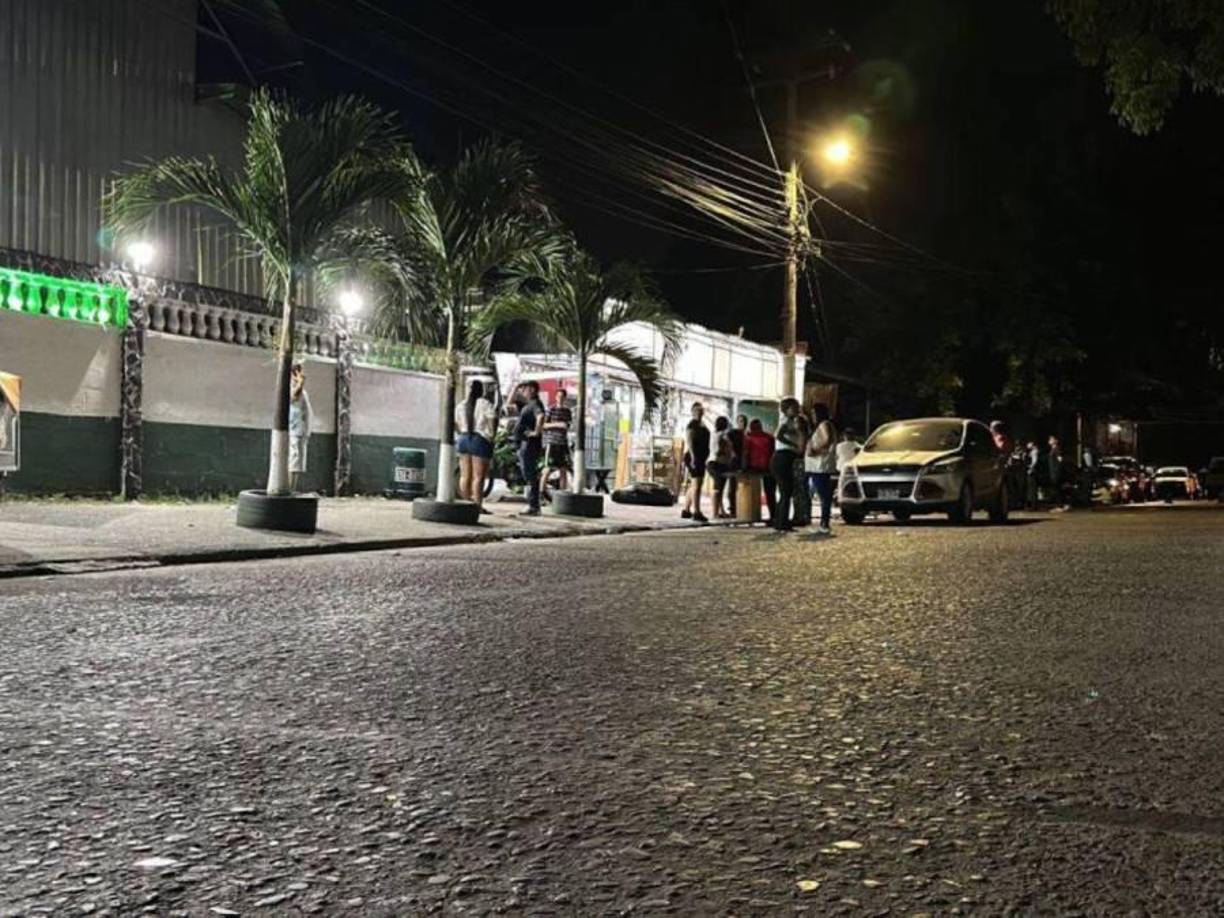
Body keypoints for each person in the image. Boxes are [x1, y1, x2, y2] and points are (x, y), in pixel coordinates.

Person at [455, 379, 496, 513]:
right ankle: (477, 506)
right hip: (480, 440)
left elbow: (455, 423)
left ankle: (465, 504)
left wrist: (461, 432)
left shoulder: (461, 405)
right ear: (482, 390)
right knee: (478, 477)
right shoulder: (485, 404)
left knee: (464, 476)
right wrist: (491, 436)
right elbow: (492, 421)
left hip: (463, 439)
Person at [771, 397, 807, 532]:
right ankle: (782, 522)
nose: (798, 409)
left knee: (786, 491)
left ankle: (781, 521)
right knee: (786, 491)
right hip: (783, 456)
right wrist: (795, 445)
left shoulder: (792, 421)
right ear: (787, 409)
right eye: (795, 407)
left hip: (786, 457)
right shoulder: (785, 420)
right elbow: (778, 435)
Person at [804, 403, 838, 534]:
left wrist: (814, 450)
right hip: (819, 466)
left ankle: (824, 523)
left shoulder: (824, 424)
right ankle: (824, 522)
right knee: (824, 494)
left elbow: (827, 439)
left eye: (813, 413)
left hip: (820, 466)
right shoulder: (825, 424)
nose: (812, 416)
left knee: (824, 495)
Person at [514, 381, 546, 515]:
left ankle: (533, 505)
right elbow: (511, 402)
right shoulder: (528, 404)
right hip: (524, 443)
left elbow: (541, 416)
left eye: (525, 389)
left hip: (530, 443)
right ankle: (532, 504)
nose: (523, 392)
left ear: (532, 390)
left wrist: (536, 432)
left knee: (530, 474)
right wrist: (516, 387)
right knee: (527, 473)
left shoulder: (535, 404)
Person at [680, 402, 711, 523]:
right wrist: (693, 457)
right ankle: (697, 511)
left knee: (695, 483)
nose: (699, 413)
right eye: (697, 411)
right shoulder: (692, 425)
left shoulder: (702, 424)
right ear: (692, 412)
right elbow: (689, 440)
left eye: (701, 411)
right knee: (697, 485)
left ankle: (686, 509)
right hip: (695, 457)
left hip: (701, 456)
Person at [743, 418, 776, 522]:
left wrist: (744, 467)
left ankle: (751, 515)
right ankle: (773, 515)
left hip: (754, 467)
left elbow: (746, 453)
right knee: (770, 492)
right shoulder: (769, 437)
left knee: (752, 492)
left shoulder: (748, 438)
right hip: (768, 466)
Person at [542, 388, 573, 493]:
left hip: (563, 442)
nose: (560, 399)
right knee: (548, 468)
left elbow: (568, 425)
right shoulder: (551, 409)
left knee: (563, 468)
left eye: (562, 397)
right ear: (556, 397)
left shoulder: (567, 411)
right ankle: (542, 492)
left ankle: (562, 492)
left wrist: (564, 426)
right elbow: (543, 425)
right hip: (551, 442)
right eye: (558, 396)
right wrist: (558, 424)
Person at [288, 362, 312, 493]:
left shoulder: (302, 390)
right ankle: (289, 489)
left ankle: (293, 489)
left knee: (298, 462)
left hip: (301, 430)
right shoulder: (291, 387)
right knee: (294, 459)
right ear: (294, 373)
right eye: (300, 371)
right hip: (295, 430)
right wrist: (300, 382)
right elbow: (293, 396)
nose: (303, 374)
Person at [708, 416, 737, 518]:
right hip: (718, 463)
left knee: (719, 488)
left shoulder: (714, 434)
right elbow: (722, 448)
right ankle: (715, 513)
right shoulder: (723, 435)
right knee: (718, 489)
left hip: (714, 462)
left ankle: (720, 511)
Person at [725, 414, 748, 517]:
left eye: (743, 421)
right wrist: (732, 451)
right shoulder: (734, 433)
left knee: (743, 486)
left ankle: (741, 507)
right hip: (734, 462)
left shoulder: (747, 434)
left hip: (744, 462)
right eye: (740, 421)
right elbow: (725, 437)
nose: (742, 423)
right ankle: (733, 509)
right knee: (733, 485)